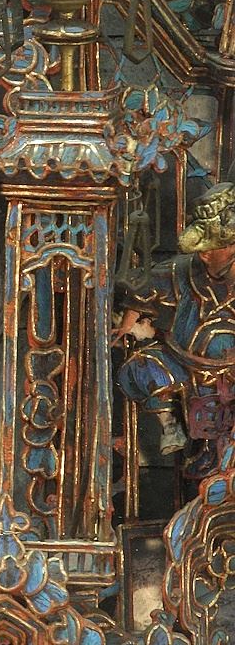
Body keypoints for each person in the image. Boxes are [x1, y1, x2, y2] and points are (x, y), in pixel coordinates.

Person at [116, 182, 235, 478]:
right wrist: (129, 322)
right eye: (205, 248)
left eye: (221, 246)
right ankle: (172, 426)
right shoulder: (183, 270)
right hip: (183, 364)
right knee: (140, 369)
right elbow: (142, 287)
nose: (206, 254)